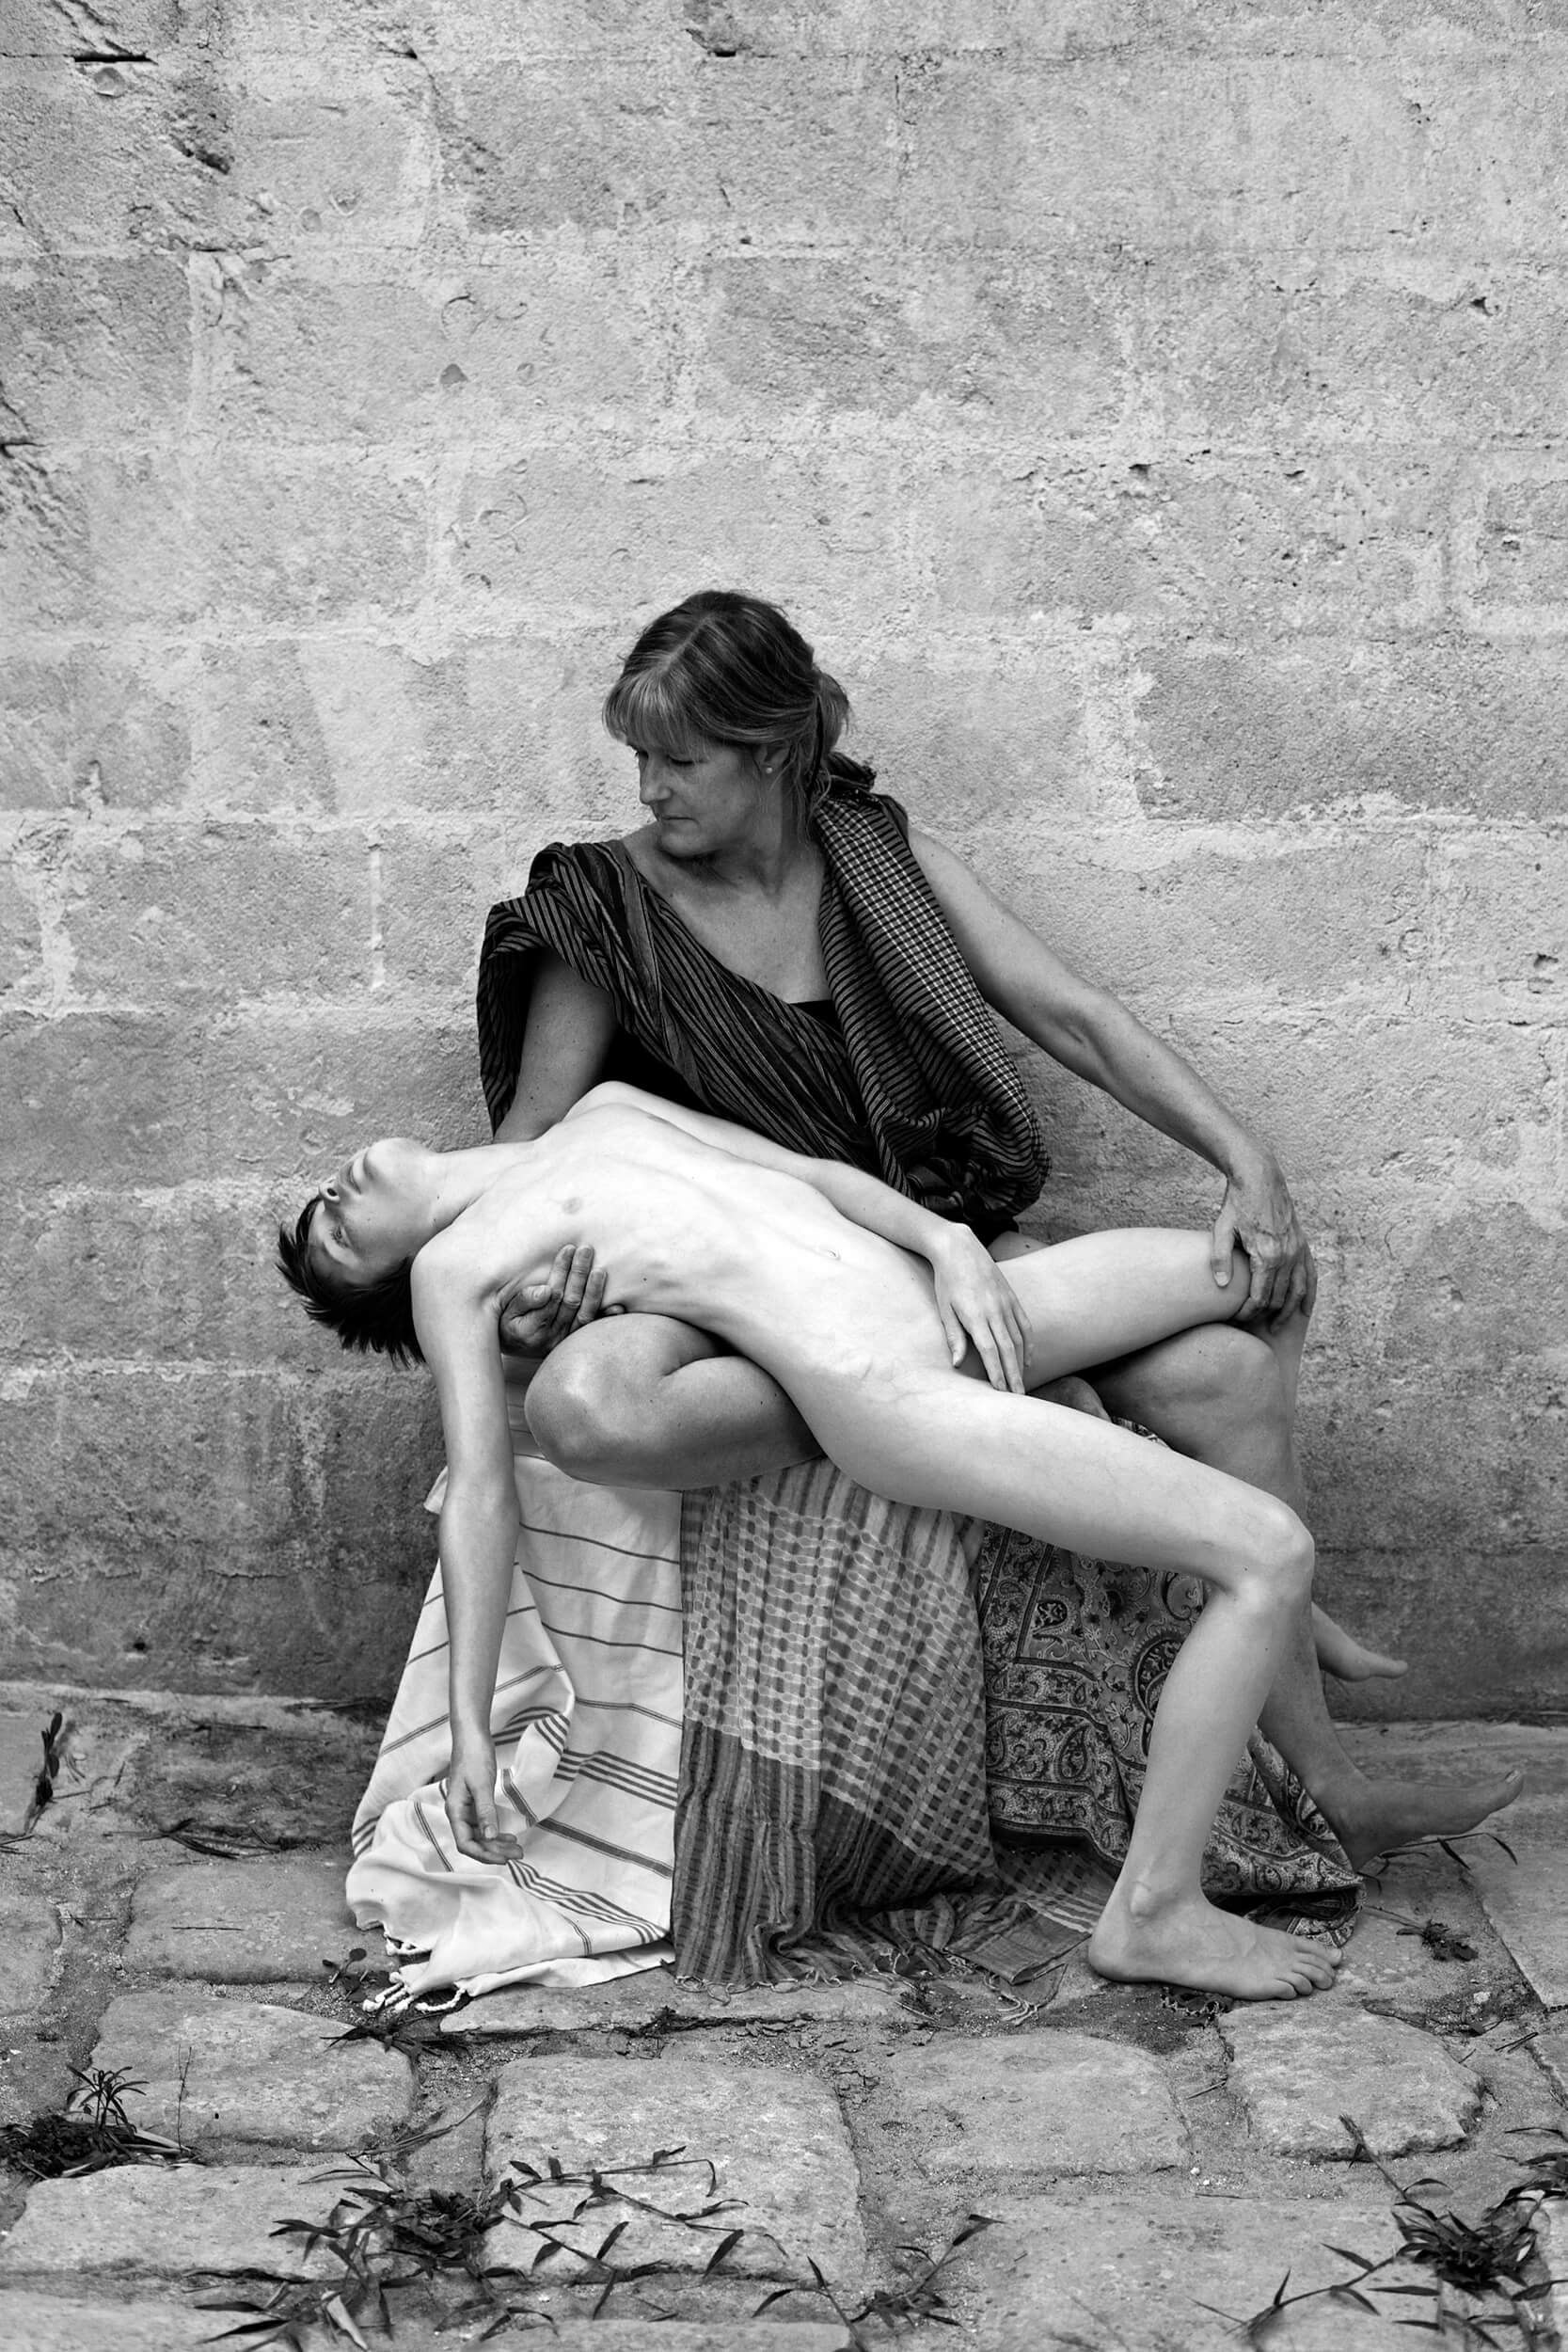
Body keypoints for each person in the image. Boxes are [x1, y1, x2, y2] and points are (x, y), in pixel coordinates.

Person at [474, 589, 1520, 1877]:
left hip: (936, 1244)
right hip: (745, 1273)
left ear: (773, 751)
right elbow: (532, 1139)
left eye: (679, 759)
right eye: (634, 755)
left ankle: (1329, 1775)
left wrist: (1242, 1156)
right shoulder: (602, 906)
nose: (649, 788)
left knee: (1229, 1366)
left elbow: (1067, 1014)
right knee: (595, 1407)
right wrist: (526, 1288)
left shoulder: (868, 857)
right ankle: (914, 1399)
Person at [280, 1082, 1350, 2002]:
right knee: (1266, 1553)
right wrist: (469, 1724)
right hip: (878, 1380)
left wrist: (945, 1242)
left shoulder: (600, 1114)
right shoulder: (456, 1265)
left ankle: (1272, 1624)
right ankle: (1153, 1909)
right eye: (329, 1238)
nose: (329, 1199)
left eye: (318, 1205)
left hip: (957, 1298)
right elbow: (478, 1493)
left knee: (1260, 1268)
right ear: (392, 1273)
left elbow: (813, 1172)